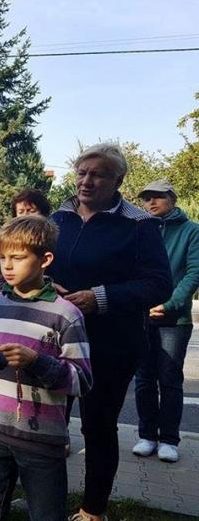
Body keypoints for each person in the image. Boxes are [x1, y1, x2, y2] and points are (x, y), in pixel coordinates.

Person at [45, 143, 172, 521]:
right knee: (49, 424)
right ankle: (45, 500)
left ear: (118, 180)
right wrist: (47, 285)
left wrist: (99, 298)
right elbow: (39, 262)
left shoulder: (139, 224)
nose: (86, 181)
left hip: (111, 343)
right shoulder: (60, 216)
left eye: (97, 174)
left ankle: (92, 509)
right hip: (57, 339)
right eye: (82, 172)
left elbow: (159, 284)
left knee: (98, 427)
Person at [0, 216, 93, 521]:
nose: (7, 266)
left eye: (18, 258)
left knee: (46, 513)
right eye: (2, 257)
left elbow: (82, 381)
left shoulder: (65, 314)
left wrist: (37, 362)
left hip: (41, 441)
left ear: (45, 259)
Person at [133, 180, 199, 463]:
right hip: (142, 315)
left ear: (172, 198)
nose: (151, 202)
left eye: (157, 197)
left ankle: (169, 439)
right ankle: (147, 435)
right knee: (144, 379)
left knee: (169, 379)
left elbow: (194, 273)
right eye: (147, 198)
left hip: (174, 319)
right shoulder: (141, 229)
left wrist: (170, 304)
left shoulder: (191, 231)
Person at [0, 189, 52, 291]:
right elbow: (1, 284)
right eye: (20, 212)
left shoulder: (53, 239)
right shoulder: (9, 240)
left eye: (31, 211)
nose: (25, 215)